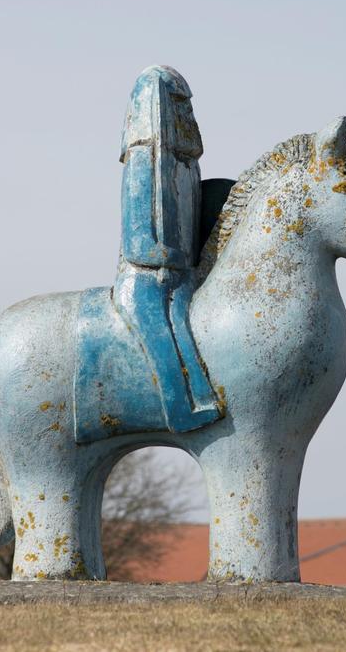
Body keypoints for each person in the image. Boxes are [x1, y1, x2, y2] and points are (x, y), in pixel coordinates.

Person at [113, 65, 221, 433]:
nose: (187, 116)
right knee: (166, 330)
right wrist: (175, 258)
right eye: (179, 106)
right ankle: (181, 408)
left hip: (178, 278)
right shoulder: (144, 161)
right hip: (145, 283)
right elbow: (138, 244)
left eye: (188, 107)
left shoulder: (185, 168)